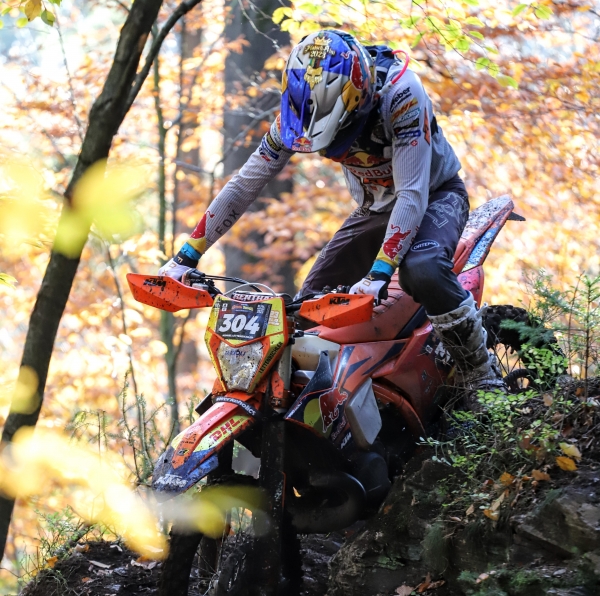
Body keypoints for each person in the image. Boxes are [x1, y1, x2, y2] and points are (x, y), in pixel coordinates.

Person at [160, 29, 503, 398]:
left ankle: (481, 375)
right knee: (309, 310)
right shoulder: (297, 112)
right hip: (374, 207)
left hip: (436, 195)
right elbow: (245, 183)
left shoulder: (401, 95)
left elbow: (412, 194)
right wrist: (186, 257)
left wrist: (378, 273)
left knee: (423, 270)